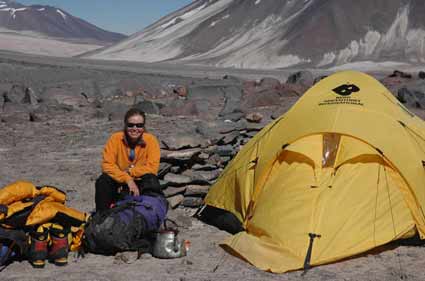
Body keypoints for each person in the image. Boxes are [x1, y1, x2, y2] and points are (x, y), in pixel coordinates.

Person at [95, 108, 163, 212]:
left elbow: (152, 168)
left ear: (143, 126)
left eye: (139, 125)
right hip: (120, 179)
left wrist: (131, 172)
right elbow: (107, 165)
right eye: (131, 125)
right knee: (103, 180)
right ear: (125, 125)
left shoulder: (151, 141)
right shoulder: (115, 139)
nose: (135, 128)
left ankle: (148, 214)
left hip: (140, 180)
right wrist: (127, 179)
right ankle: (102, 216)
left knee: (151, 180)